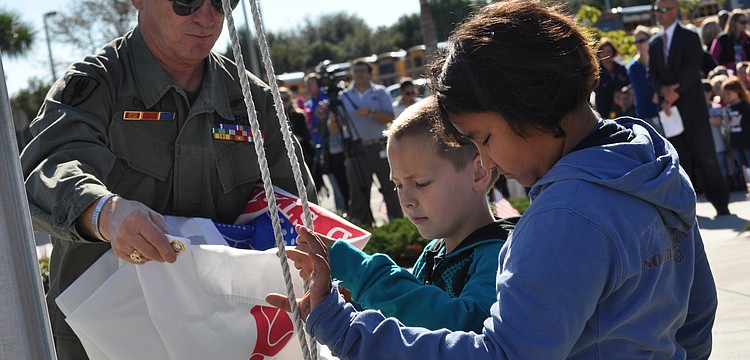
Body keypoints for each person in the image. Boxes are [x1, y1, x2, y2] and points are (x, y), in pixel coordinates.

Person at [266, 1, 718, 359]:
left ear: (529, 107)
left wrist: (342, 328)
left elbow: (500, 353)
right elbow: (696, 320)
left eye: (483, 137)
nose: (486, 159)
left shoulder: (567, 216)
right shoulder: (649, 161)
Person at [19, 0, 315, 358]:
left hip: (225, 336)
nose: (207, 17)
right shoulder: (96, 85)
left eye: (222, 3)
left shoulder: (253, 101)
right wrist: (104, 213)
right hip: (110, 339)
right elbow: (47, 167)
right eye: (186, 1)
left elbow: (298, 210)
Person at [296, 96, 514, 333]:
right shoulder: (434, 251)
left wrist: (363, 274)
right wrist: (342, 303)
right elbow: (405, 330)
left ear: (478, 172)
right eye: (398, 185)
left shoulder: (501, 257)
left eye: (420, 183)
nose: (406, 201)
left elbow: (462, 328)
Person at [649, 0, 731, 216]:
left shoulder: (690, 36)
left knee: (706, 157)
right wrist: (663, 92)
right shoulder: (654, 43)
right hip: (670, 112)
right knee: (679, 161)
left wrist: (673, 93)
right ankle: (685, 209)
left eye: (663, 10)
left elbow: (692, 67)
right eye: (657, 10)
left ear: (675, 11)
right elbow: (653, 75)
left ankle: (721, 204)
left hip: (692, 109)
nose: (659, 14)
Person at [337, 60, 403, 225]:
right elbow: (335, 126)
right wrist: (329, 116)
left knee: (390, 189)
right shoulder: (343, 96)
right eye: (356, 71)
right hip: (357, 149)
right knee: (358, 193)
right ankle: (364, 229)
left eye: (362, 71)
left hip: (379, 146)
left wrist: (371, 112)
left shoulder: (380, 92)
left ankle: (397, 226)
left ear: (370, 73)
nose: (359, 74)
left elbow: (391, 118)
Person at [627, 25, 662, 134]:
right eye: (636, 41)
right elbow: (649, 94)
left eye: (641, 40)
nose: (638, 44)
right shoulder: (634, 67)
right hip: (648, 116)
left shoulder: (658, 61)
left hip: (664, 112)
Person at [280, 86, 316, 173]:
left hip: (302, 151)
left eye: (286, 99)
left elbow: (304, 135)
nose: (283, 102)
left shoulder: (298, 115)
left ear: (290, 99)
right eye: (280, 99)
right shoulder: (274, 118)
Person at [593, 38, 630, 119]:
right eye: (603, 52)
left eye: (609, 51)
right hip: (605, 109)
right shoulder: (596, 71)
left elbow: (629, 84)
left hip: (623, 108)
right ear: (599, 53)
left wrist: (623, 91)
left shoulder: (620, 68)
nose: (606, 55)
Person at [722, 76, 750, 169]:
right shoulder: (728, 108)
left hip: (747, 142)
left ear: (737, 91)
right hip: (736, 143)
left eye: (728, 93)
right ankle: (745, 183)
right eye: (725, 94)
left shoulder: (745, 106)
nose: (726, 97)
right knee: (742, 167)